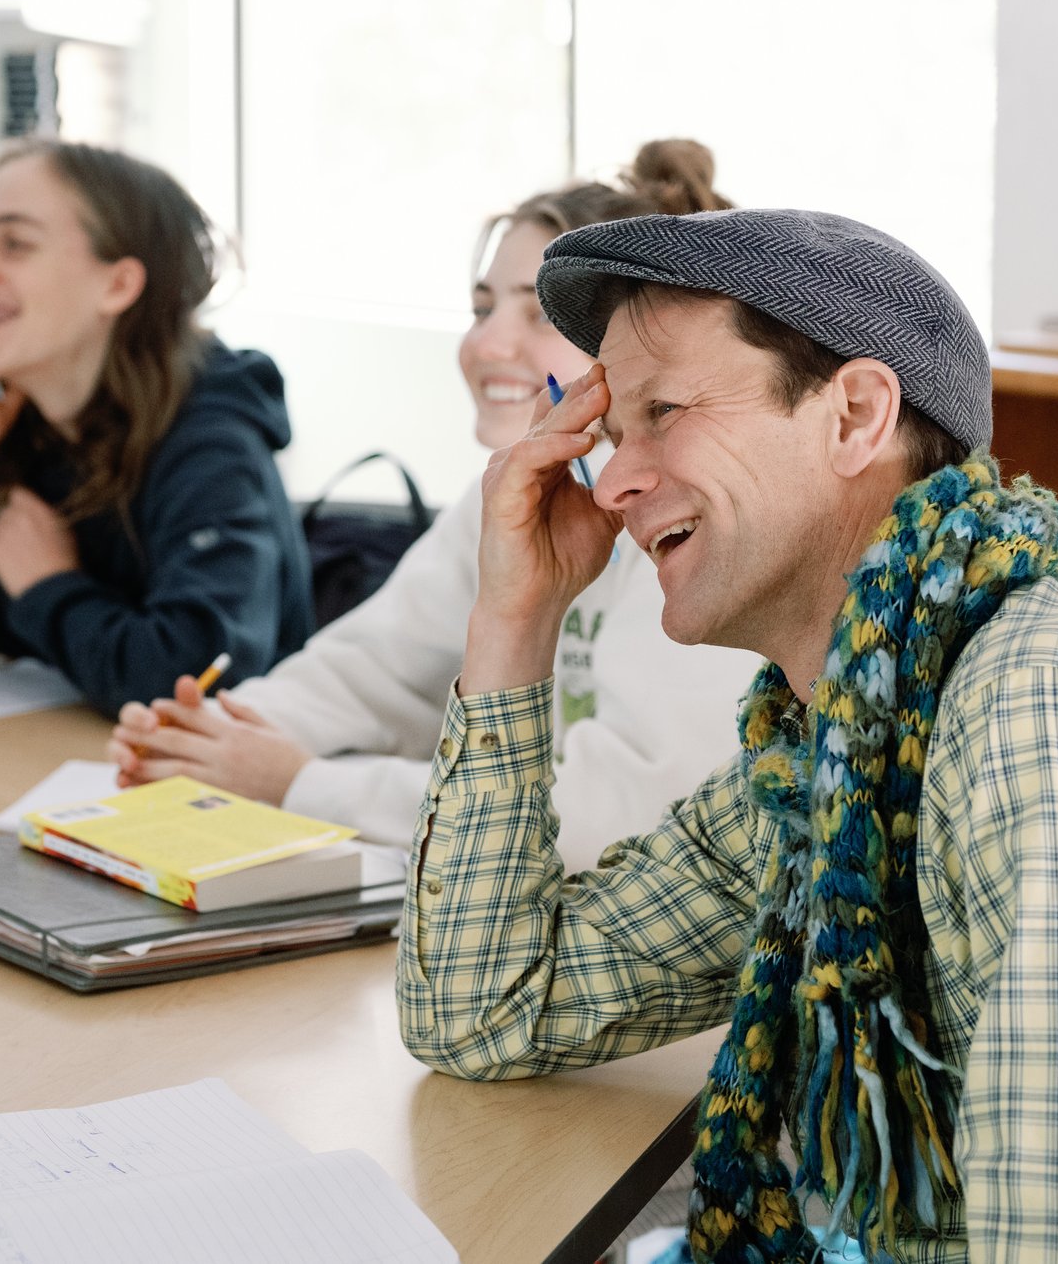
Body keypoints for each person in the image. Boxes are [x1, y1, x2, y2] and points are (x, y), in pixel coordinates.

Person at [396, 208, 1058, 1262]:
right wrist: (515, 618)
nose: (611, 484)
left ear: (853, 414)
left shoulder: (1053, 713)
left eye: (661, 410)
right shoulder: (842, 748)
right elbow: (489, 1008)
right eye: (613, 437)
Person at [107, 142, 762, 869]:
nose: (486, 343)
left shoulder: (700, 522)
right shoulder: (515, 495)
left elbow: (610, 817)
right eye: (481, 308)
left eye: (540, 313)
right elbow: (376, 665)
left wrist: (298, 782)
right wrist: (212, 733)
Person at [0, 140, 313, 713]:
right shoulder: (7, 422)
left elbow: (194, 681)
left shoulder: (212, 441)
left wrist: (48, 588)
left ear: (117, 285)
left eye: (15, 243)